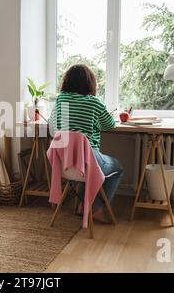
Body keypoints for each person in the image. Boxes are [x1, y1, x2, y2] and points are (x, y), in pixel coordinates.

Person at [48, 64, 123, 223]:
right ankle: (97, 209)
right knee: (117, 167)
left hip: (65, 164)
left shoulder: (61, 100)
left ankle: (83, 205)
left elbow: (53, 123)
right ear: (90, 83)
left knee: (89, 169)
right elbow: (110, 124)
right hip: (88, 163)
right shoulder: (94, 103)